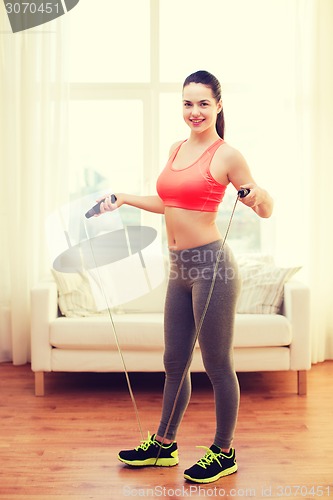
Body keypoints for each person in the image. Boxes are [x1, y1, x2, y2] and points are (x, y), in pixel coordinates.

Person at [98, 70, 273, 484]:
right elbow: (168, 201)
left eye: (203, 103)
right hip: (180, 268)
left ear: (218, 105)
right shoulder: (177, 148)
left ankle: (223, 450)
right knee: (174, 361)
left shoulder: (227, 154)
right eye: (187, 103)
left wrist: (256, 195)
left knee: (216, 363)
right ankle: (163, 444)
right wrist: (124, 198)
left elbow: (266, 209)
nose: (194, 111)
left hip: (212, 266)